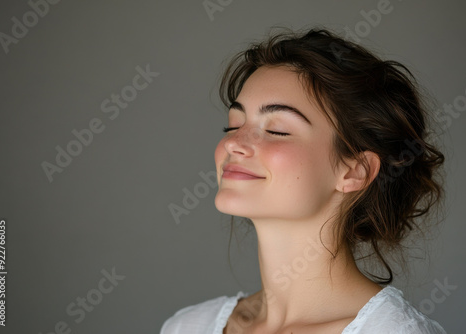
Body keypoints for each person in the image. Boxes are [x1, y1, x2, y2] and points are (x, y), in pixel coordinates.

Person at [160, 26, 447, 334]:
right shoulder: (187, 327)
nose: (233, 143)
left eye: (277, 130)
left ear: (354, 171)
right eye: (233, 125)